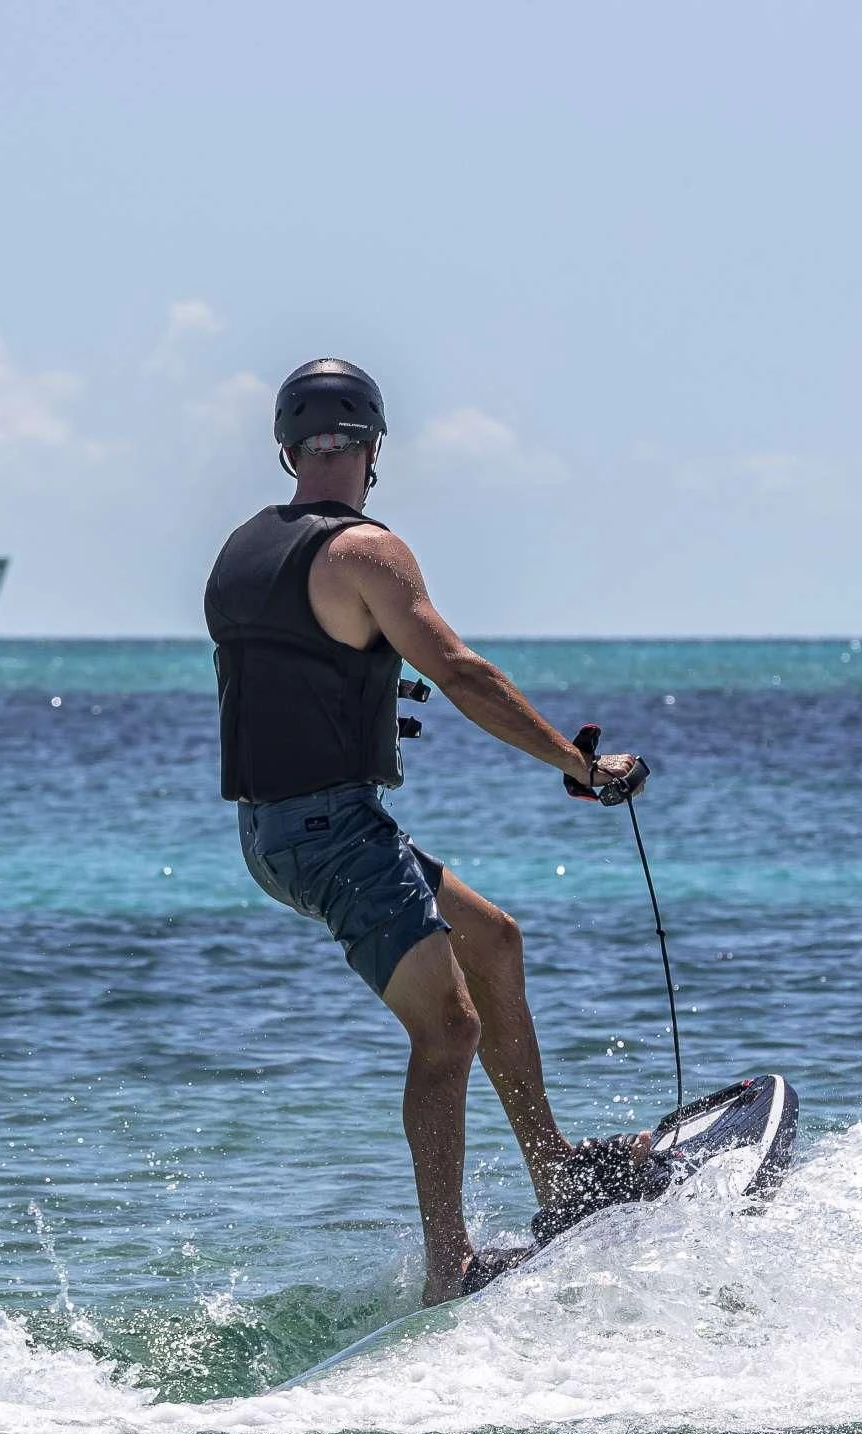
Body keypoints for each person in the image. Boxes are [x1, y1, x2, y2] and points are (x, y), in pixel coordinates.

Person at [206, 358, 648, 1306]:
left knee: (492, 939)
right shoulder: (369, 553)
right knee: (448, 1029)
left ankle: (558, 1177)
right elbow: (459, 672)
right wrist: (580, 766)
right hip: (328, 828)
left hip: (276, 831)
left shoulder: (242, 549)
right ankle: (449, 1272)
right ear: (373, 450)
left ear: (287, 449)